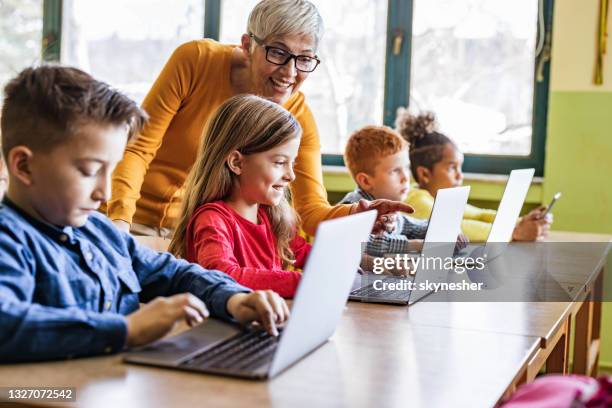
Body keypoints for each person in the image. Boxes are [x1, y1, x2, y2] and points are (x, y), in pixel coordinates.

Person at [0, 66, 288, 363]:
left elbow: (174, 273)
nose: (106, 193)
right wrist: (125, 330)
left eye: (111, 171)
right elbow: (6, 323)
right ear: (23, 166)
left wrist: (234, 299)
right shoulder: (8, 241)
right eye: (89, 171)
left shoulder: (99, 230)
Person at [104, 0, 411, 238]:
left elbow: (311, 211)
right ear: (247, 44)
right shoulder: (196, 61)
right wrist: (119, 222)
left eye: (304, 59)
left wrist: (357, 214)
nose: (289, 73)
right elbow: (137, 148)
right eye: (277, 53)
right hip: (135, 223)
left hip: (201, 237)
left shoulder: (299, 118)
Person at [169, 95, 311, 298]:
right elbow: (222, 275)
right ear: (236, 162)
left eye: (292, 163)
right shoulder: (212, 219)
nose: (291, 175)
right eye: (280, 162)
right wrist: (300, 283)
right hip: (223, 327)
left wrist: (354, 261)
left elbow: (306, 253)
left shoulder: (271, 217)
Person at [396, 110, 551, 242]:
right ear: (425, 174)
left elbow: (479, 215)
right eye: (452, 168)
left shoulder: (441, 200)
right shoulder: (416, 201)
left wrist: (521, 221)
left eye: (460, 167)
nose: (459, 176)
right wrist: (515, 232)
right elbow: (455, 228)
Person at [340, 125, 428, 257]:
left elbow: (415, 227)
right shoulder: (352, 207)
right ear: (366, 181)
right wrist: (416, 245)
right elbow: (368, 244)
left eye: (406, 168)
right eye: (395, 171)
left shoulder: (391, 209)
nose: (405, 178)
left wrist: (446, 231)